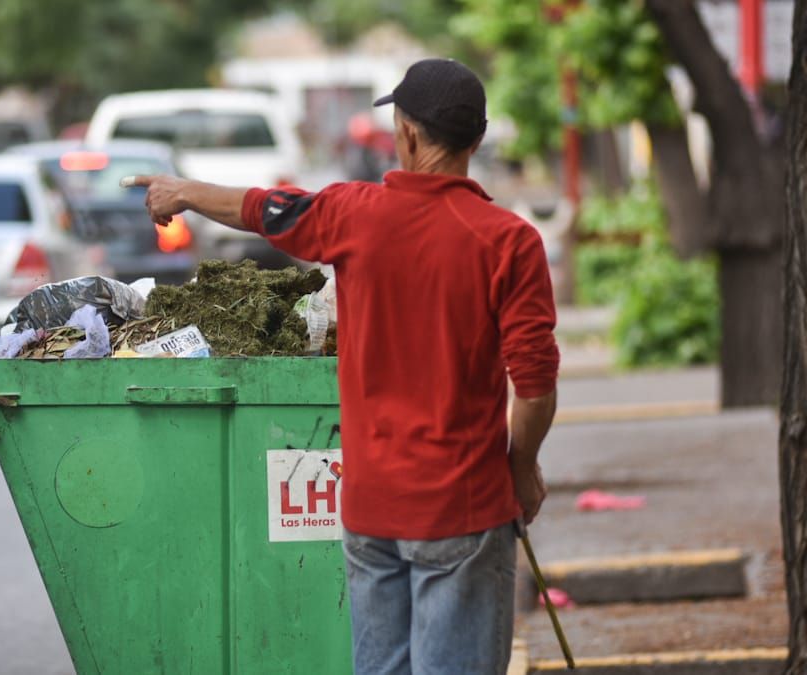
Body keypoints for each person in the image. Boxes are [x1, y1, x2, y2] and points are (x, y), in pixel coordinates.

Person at [132, 58, 559, 675]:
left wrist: (185, 192)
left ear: (406, 133)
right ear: (479, 137)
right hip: (462, 510)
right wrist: (522, 471)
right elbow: (536, 386)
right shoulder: (509, 241)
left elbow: (263, 209)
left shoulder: (353, 214)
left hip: (371, 509)